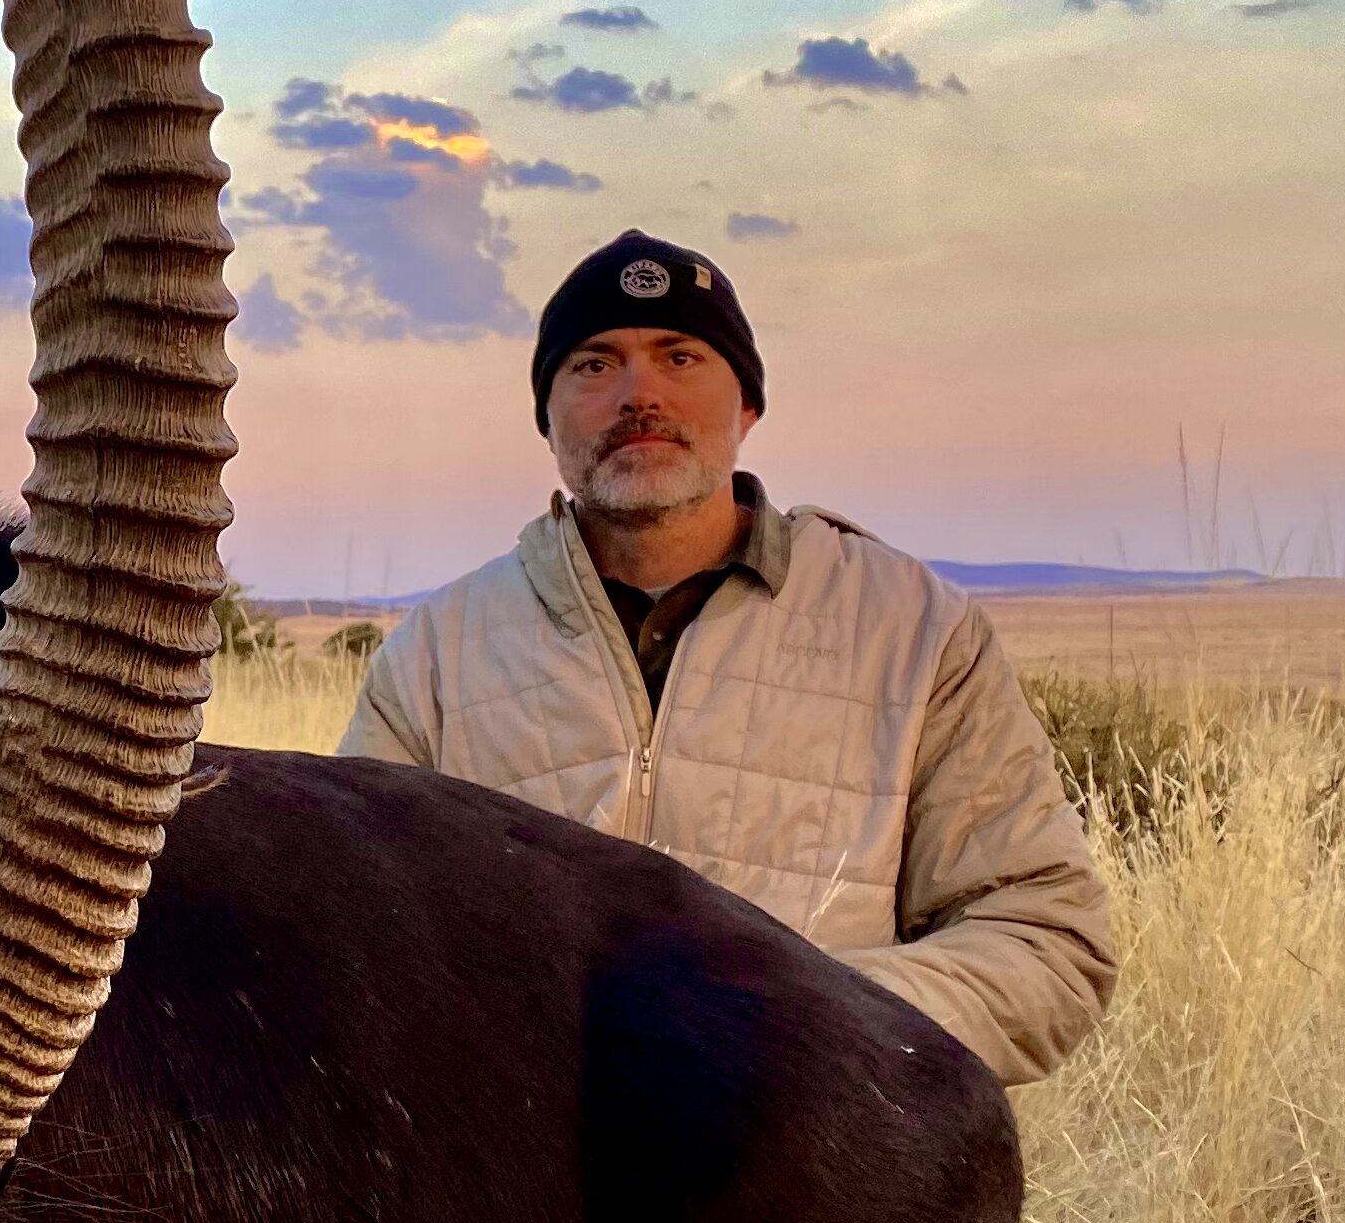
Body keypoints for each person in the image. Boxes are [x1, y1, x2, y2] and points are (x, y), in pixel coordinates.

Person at [338, 229, 1113, 1084]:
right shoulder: (438, 657)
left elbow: (1044, 939)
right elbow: (353, 944)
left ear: (746, 406)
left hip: (819, 1184)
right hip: (514, 1190)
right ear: (548, 421)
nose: (640, 394)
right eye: (595, 365)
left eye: (680, 357)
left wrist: (792, 1026)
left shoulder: (911, 632)